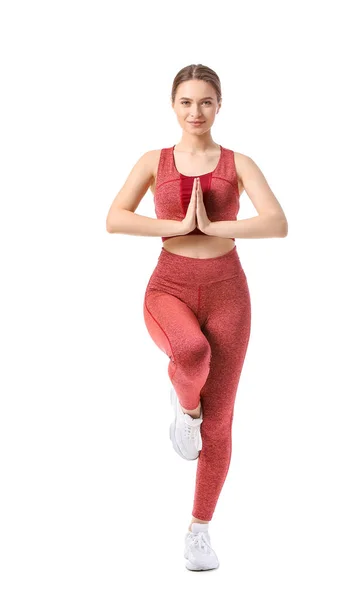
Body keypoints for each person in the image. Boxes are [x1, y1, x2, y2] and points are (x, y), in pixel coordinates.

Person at [106, 63, 288, 571]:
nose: (195, 111)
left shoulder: (238, 162)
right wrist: (178, 224)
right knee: (190, 352)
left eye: (205, 102)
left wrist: (217, 223)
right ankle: (186, 410)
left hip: (229, 291)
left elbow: (277, 223)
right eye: (186, 102)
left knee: (223, 420)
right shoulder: (154, 160)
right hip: (169, 288)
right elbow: (114, 217)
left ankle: (199, 531)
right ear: (173, 105)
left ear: (219, 106)